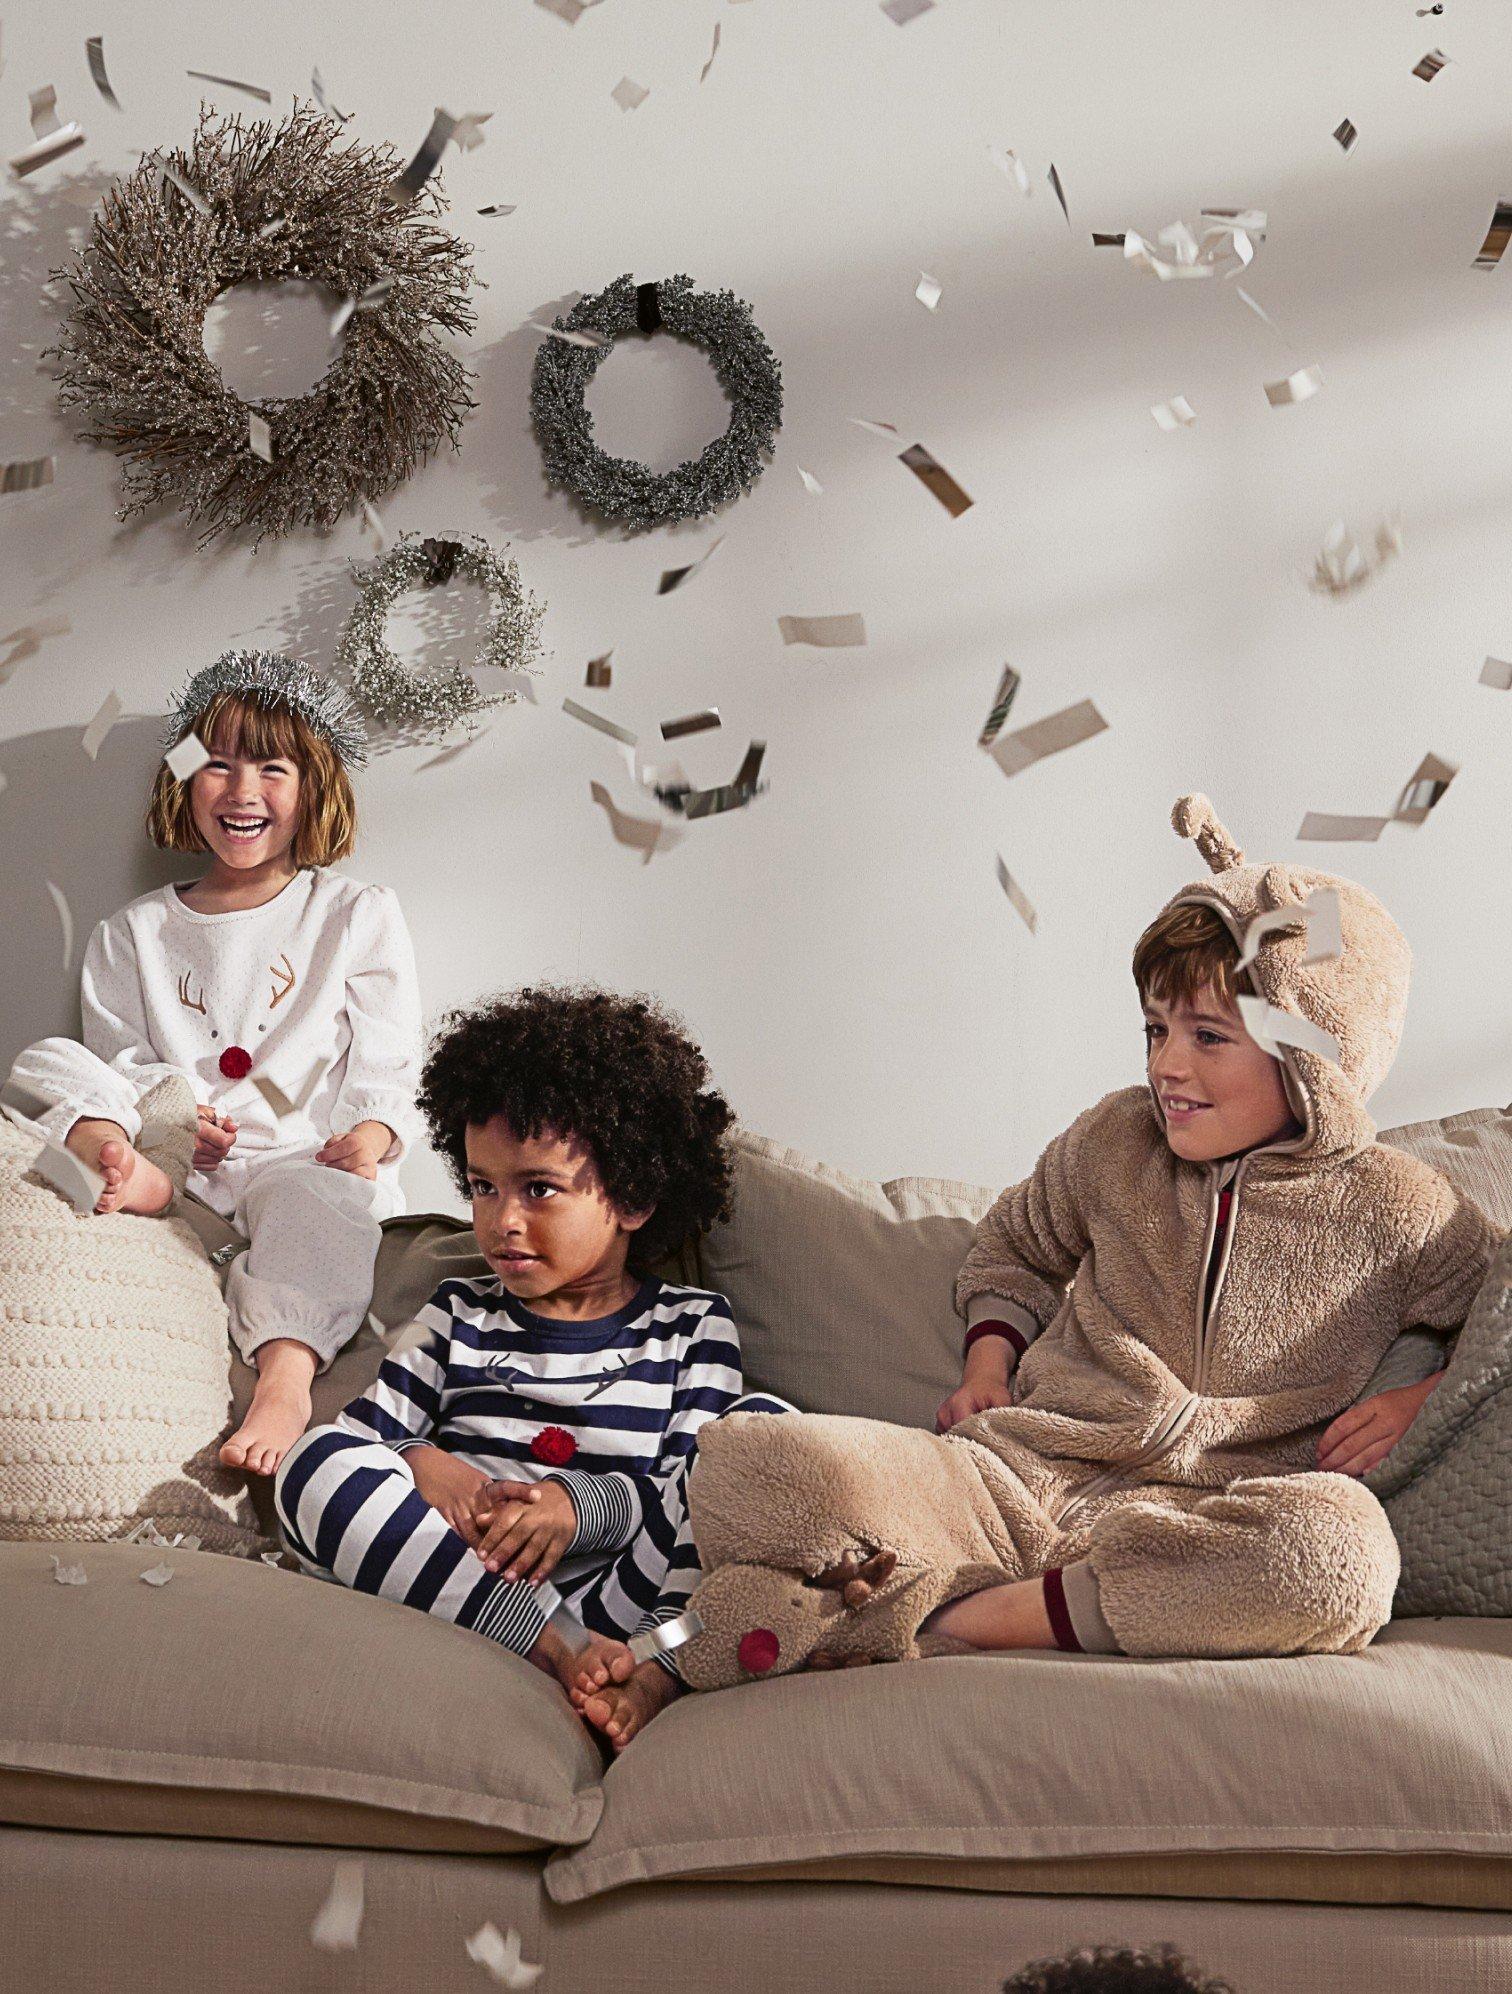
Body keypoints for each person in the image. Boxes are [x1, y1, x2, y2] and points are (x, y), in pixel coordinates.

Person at [671, 793, 1502, 1685]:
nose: (1165, 1065)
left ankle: (956, 1617)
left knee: (1342, 1558)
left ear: (1313, 1056)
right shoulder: (1116, 1139)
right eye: (1156, 1029)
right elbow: (1015, 1248)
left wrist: (1428, 1396)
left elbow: (1501, 1320)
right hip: (1012, 1481)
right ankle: (876, 1610)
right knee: (744, 1465)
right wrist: (987, 1369)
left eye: (1207, 1036)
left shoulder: (1404, 1208)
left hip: (1195, 1526)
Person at [273, 985, 789, 1750]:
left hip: (632, 1599)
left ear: (633, 1196)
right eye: (483, 1186)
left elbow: (693, 1490)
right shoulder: (457, 1311)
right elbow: (366, 1434)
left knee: (762, 1439)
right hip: (475, 1587)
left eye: (539, 1189)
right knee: (314, 1459)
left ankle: (653, 1669)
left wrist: (575, 1508)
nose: (500, 1221)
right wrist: (426, 1463)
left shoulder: (692, 1325)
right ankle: (554, 1648)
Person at [5, 650, 421, 1478]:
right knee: (42, 1061)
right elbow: (120, 1055)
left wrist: (371, 1137)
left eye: (273, 767)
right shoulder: (133, 933)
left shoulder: (352, 914)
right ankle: (131, 1166)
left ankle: (286, 1377)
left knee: (321, 1198)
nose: (241, 791)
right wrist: (169, 1117)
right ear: (182, 779)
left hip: (297, 1161)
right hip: (181, 1157)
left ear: (313, 788)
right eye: (215, 765)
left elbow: (387, 1057)